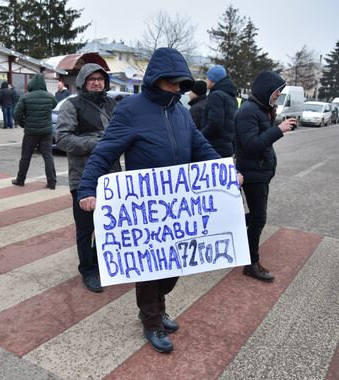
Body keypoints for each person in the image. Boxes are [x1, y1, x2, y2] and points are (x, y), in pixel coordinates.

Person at [76, 48, 222, 353]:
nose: (176, 87)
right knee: (150, 267)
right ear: (156, 80)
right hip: (144, 207)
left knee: (174, 265)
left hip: (178, 205)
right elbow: (105, 151)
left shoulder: (181, 110)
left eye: (180, 83)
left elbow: (200, 145)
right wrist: (87, 188)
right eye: (170, 82)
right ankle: (151, 319)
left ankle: (159, 304)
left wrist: (224, 172)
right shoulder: (130, 109)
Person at [55, 63, 121, 293]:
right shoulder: (72, 105)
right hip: (83, 178)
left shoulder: (112, 104)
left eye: (100, 79)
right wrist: (98, 143)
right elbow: (62, 138)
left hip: (112, 176)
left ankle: (100, 261)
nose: (96, 82)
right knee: (86, 228)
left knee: (108, 225)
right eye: (92, 78)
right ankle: (87, 269)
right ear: (83, 81)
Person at [234, 71, 295, 282]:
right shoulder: (248, 112)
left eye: (280, 92)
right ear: (266, 89)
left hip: (260, 171)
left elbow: (262, 141)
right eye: (277, 91)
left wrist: (275, 122)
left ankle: (233, 228)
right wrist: (278, 130)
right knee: (259, 218)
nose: (278, 94)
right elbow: (251, 145)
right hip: (252, 172)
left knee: (256, 217)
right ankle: (251, 263)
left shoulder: (262, 109)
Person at [12, 74, 57, 189]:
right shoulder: (50, 96)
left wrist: (24, 124)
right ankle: (52, 182)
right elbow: (54, 105)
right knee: (48, 156)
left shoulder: (26, 97)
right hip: (46, 132)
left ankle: (20, 180)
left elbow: (17, 114)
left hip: (30, 132)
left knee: (25, 157)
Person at [201, 65, 238, 157]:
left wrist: (200, 137)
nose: (206, 80)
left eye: (207, 78)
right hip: (226, 147)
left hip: (214, 147)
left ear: (213, 80)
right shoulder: (231, 96)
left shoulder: (216, 95)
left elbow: (215, 123)